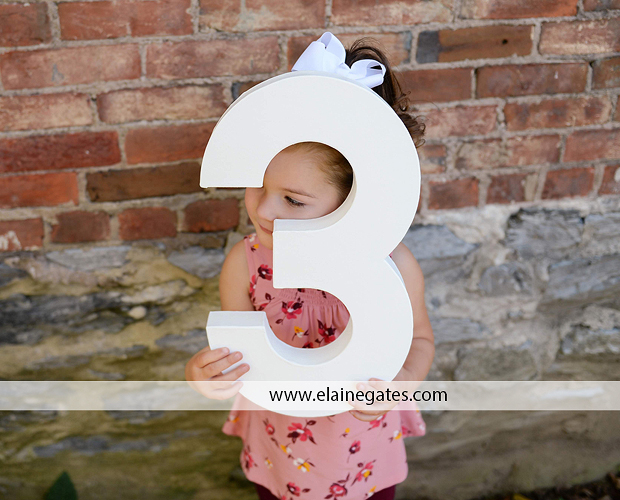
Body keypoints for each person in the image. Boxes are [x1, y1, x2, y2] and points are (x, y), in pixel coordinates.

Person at [186, 32, 435, 500]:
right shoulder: (245, 263)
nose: (263, 210)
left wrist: (402, 384)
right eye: (258, 186)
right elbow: (236, 355)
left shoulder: (394, 267)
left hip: (363, 451)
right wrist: (206, 376)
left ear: (353, 200)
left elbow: (419, 340)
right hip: (282, 448)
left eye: (294, 200)